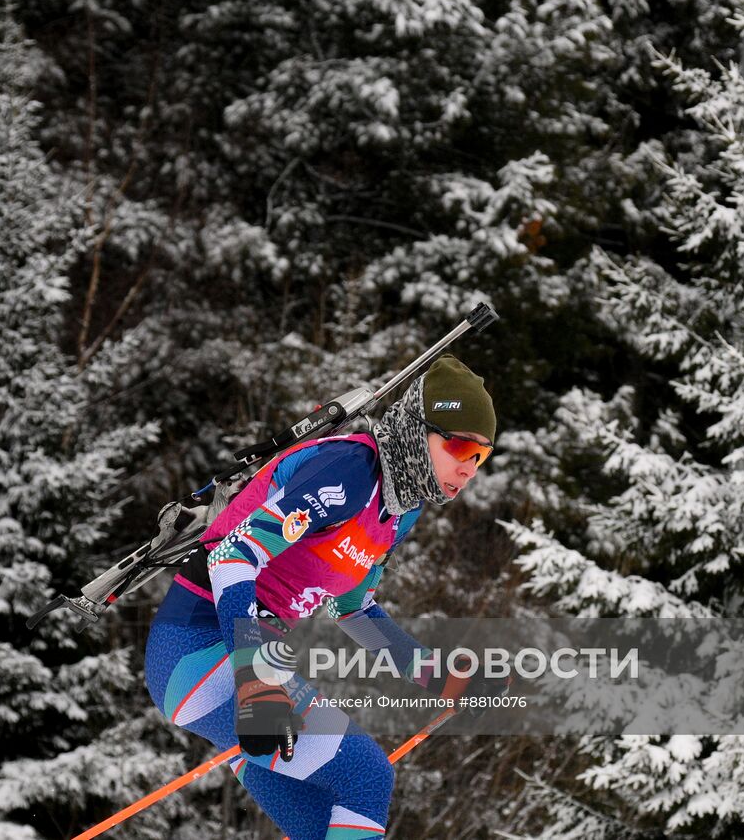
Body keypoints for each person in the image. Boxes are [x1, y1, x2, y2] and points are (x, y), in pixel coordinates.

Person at [144, 355, 496, 840]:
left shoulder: (399, 511)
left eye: (480, 456)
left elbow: (354, 609)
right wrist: (255, 683)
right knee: (366, 777)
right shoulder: (349, 469)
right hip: (198, 649)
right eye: (459, 446)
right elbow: (232, 557)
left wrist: (439, 678)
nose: (468, 467)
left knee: (322, 824)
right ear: (418, 429)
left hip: (239, 661)